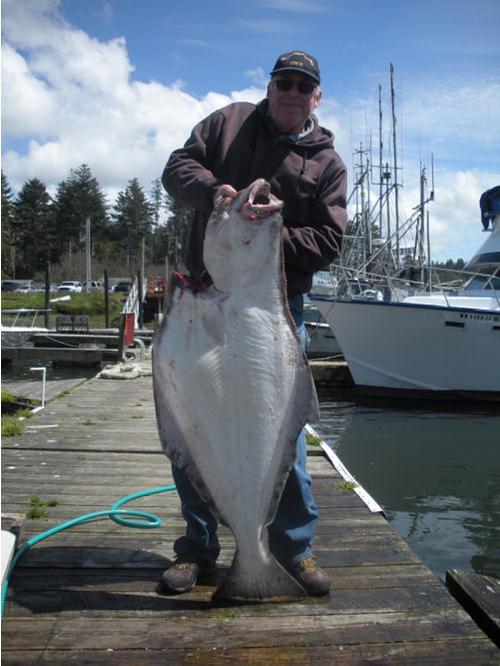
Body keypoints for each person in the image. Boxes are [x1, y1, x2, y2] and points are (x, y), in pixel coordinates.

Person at [161, 50, 347, 597]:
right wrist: (221, 194)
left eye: (302, 86)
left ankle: (291, 551)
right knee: (195, 431)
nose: (291, 91)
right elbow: (178, 168)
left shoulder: (328, 164)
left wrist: (266, 229)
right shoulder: (228, 123)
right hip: (206, 304)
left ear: (316, 98)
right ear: (269, 87)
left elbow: (328, 241)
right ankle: (197, 551)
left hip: (274, 314)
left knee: (282, 442)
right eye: (282, 82)